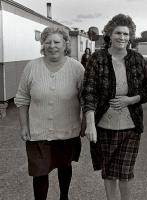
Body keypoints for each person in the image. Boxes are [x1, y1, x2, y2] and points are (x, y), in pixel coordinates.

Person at [81, 14, 147, 200]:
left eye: (126, 34)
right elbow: (89, 92)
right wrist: (89, 123)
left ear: (130, 36)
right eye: (118, 33)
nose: (122, 37)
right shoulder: (97, 59)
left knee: (126, 172)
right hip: (103, 126)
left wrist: (131, 100)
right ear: (109, 34)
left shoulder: (137, 59)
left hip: (131, 126)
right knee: (109, 171)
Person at [14, 26, 85, 200]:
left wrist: (85, 124)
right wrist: (24, 126)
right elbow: (22, 98)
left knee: (64, 166)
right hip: (38, 131)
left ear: (65, 44)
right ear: (42, 44)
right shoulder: (32, 67)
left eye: (56, 42)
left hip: (68, 130)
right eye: (48, 42)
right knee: (39, 171)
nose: (52, 46)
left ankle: (64, 196)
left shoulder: (77, 68)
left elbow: (86, 100)